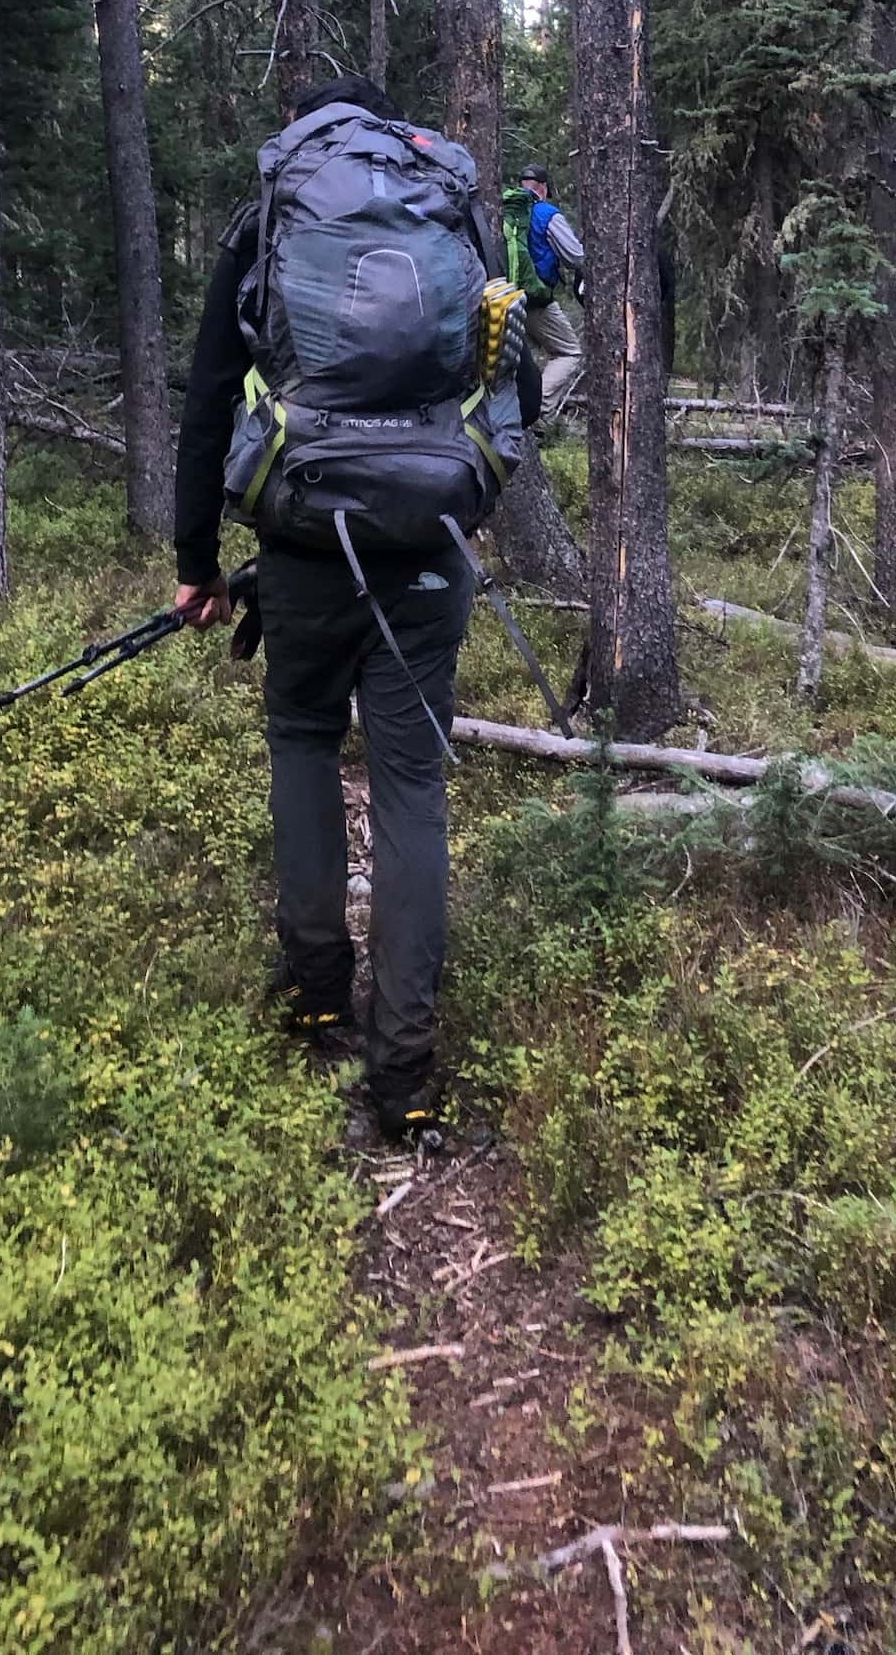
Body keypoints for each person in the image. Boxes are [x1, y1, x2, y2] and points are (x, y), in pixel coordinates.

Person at [171, 72, 541, 1143]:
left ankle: (319, 992)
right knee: (411, 786)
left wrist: (197, 559)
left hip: (301, 537)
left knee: (299, 741)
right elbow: (501, 382)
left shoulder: (276, 205)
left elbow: (207, 397)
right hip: (429, 538)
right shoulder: (451, 200)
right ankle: (405, 1074)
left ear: (302, 128)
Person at [506, 163, 588, 418]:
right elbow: (575, 257)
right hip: (534, 298)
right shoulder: (546, 213)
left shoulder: (506, 210)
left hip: (501, 295)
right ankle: (537, 412)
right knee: (569, 351)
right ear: (543, 187)